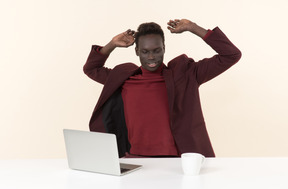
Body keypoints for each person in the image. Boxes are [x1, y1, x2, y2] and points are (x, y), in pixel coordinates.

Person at [83, 19, 241, 158]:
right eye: (145, 52)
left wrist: (193, 27)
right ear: (137, 51)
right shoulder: (125, 78)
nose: (151, 57)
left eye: (156, 50)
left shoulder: (185, 75)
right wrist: (112, 44)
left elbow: (231, 55)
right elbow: (91, 69)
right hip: (135, 158)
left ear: (164, 48)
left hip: (177, 160)